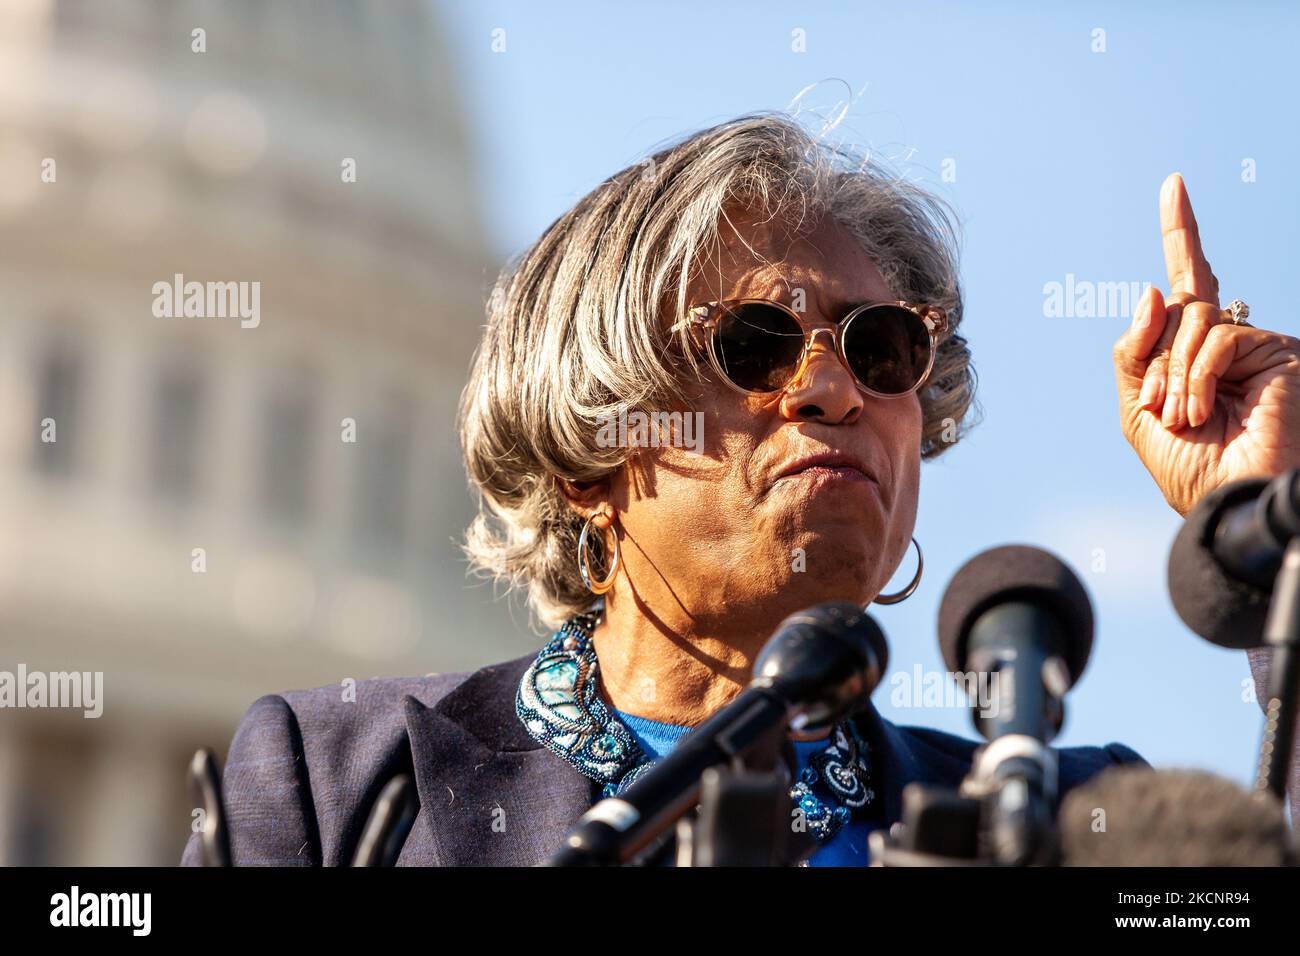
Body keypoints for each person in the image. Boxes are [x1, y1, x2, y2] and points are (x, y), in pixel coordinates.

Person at [182, 113, 1300, 866]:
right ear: (587, 455)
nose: (828, 389)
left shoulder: (1064, 819)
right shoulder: (341, 777)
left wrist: (1276, 517)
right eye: (756, 345)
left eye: (880, 348)